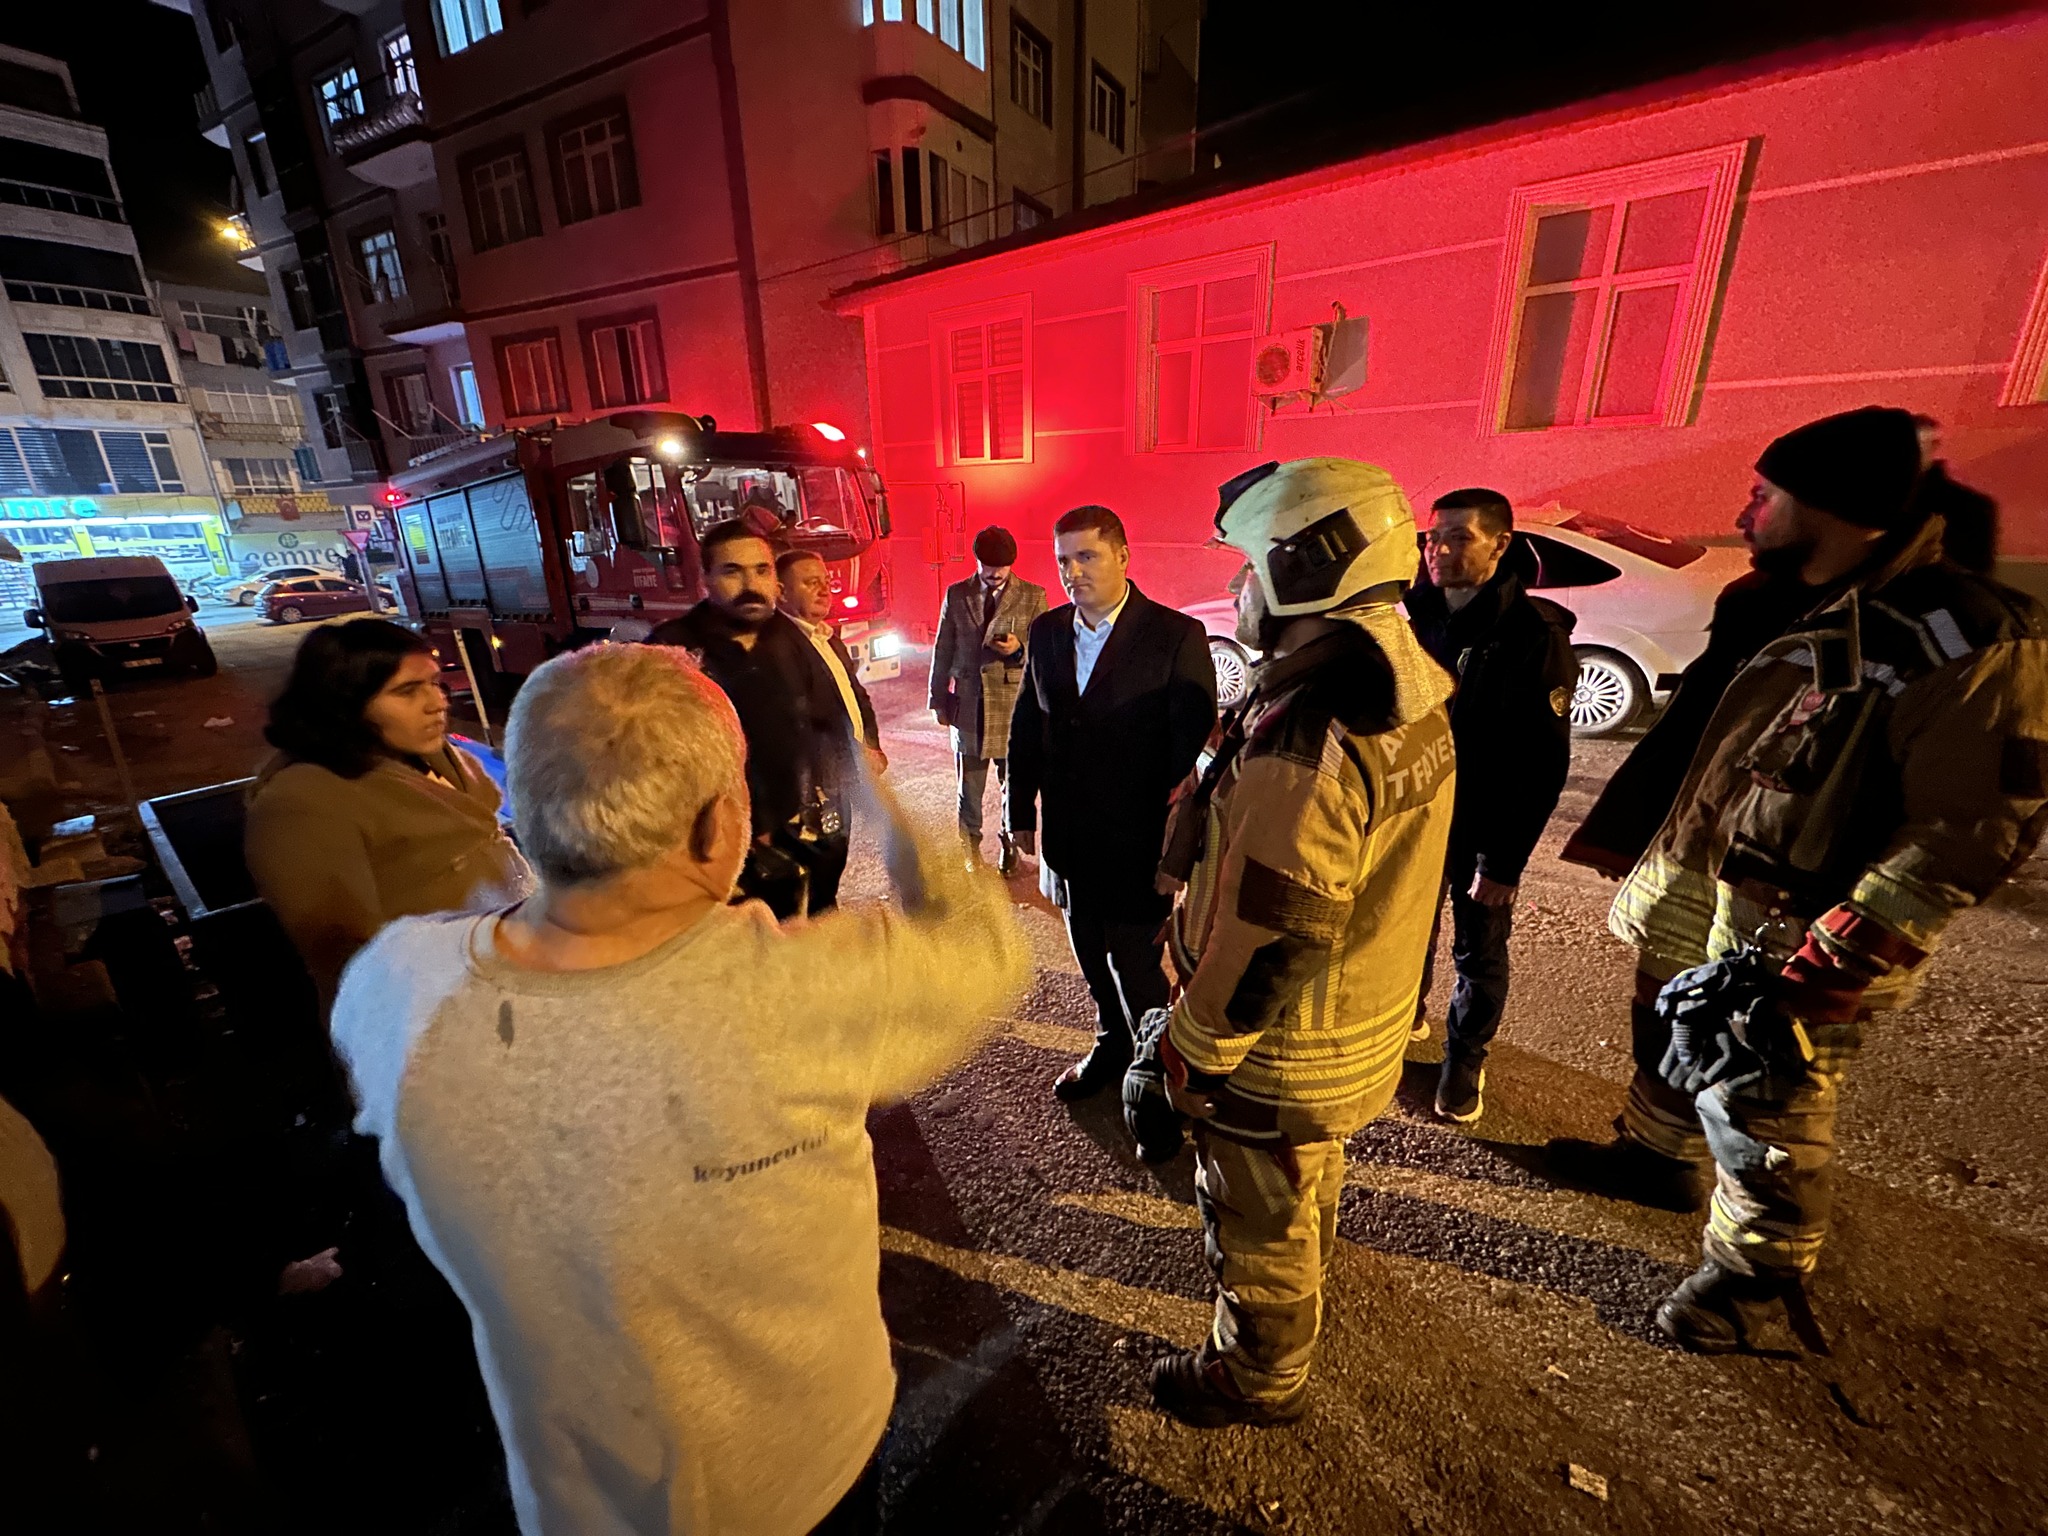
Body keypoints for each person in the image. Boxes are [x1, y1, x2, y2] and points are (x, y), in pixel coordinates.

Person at [329, 642, 1031, 1536]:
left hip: (575, 1499)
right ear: (714, 828)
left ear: (526, 812)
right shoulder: (807, 991)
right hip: (802, 1477)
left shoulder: (393, 985)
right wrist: (889, 811)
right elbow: (985, 944)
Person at [1554, 407, 2048, 1351]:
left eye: (1764, 495)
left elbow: (1970, 826)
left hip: (1804, 926)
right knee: (1679, 1037)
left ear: (1826, 507)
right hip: (1721, 888)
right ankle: (1652, 1158)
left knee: (1767, 1100)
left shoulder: (1964, 636)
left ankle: (1753, 1280)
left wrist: (1847, 949)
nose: (1746, 513)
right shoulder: (1811, 600)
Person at [1146, 458, 1456, 1427]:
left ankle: (1256, 1377)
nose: (1237, 585)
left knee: (1258, 1222)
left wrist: (1192, 1050)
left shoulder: (1309, 737)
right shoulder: (1400, 696)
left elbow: (1275, 931)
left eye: (1248, 566)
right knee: (1302, 1188)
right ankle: (1289, 1320)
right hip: (1350, 1026)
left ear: (1301, 567)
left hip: (1278, 1051)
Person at [1005, 505, 1215, 1101]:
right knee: (1090, 954)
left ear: (1123, 556)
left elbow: (1189, 745)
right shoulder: (1047, 632)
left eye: (1087, 556)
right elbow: (1028, 725)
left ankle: (1157, 1068)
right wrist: (1019, 810)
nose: (1073, 572)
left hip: (1137, 839)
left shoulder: (1175, 635)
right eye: (1063, 560)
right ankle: (1111, 1043)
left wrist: (1176, 843)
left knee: (1136, 963)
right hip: (1069, 835)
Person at [246, 618, 533, 1010]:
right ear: (347, 703)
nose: (438, 702)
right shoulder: (303, 802)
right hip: (439, 1009)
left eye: (434, 682)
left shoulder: (439, 757)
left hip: (512, 973)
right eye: (407, 691)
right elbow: (348, 954)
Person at [1404, 489, 1577, 1122]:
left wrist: (1504, 862)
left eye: (1460, 538)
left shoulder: (1532, 634)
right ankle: (1405, 1017)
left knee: (1479, 951)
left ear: (1500, 544)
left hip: (1483, 828)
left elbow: (1543, 761)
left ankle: (1464, 1060)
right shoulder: (1415, 614)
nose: (1439, 551)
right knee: (1406, 931)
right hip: (1416, 817)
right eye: (1432, 538)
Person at [647, 522, 863, 918]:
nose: (751, 584)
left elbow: (827, 718)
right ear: (705, 579)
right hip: (728, 856)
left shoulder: (792, 637)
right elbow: (658, 763)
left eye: (761, 570)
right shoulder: (672, 650)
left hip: (808, 840)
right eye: (732, 571)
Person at [929, 526, 1049, 873]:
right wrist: (938, 699)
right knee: (969, 789)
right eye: (988, 567)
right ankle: (970, 849)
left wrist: (1018, 650)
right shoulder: (957, 594)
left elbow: (1045, 653)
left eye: (1002, 568)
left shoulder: (1032, 596)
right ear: (977, 561)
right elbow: (943, 648)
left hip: (1013, 708)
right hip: (969, 706)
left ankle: (1010, 846)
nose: (995, 574)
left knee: (1014, 785)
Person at [777, 547, 886, 780]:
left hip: (852, 772)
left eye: (826, 582)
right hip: (823, 780)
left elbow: (858, 698)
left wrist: (872, 746)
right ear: (782, 593)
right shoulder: (776, 648)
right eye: (812, 583)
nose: (825, 590)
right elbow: (802, 724)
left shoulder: (829, 639)